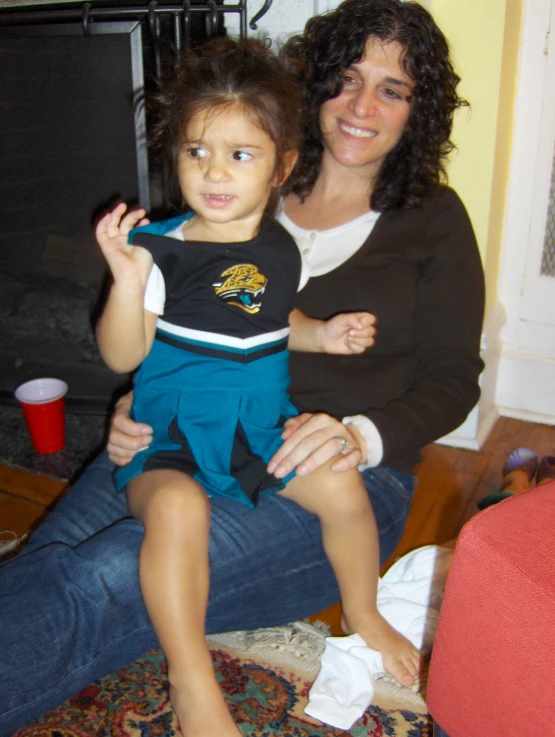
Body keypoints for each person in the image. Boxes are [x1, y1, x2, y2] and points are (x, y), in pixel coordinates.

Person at [0, 1, 485, 734]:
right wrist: (132, 404)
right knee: (53, 556)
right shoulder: (239, 183)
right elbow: (169, 327)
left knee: (101, 576)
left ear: (417, 111)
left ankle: (197, 680)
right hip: (177, 433)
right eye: (347, 78)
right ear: (312, 90)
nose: (361, 105)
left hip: (321, 466)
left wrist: (359, 433)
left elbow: (454, 375)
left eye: (391, 88)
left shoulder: (433, 216)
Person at [94, 36, 416, 737]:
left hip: (261, 429)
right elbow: (122, 350)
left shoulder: (278, 246)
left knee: (340, 481)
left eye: (239, 155)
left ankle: (361, 611)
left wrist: (320, 332)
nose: (214, 173)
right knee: (179, 513)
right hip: (171, 438)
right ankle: (191, 675)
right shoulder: (160, 251)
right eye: (195, 152)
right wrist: (124, 282)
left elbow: (273, 319)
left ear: (281, 166)